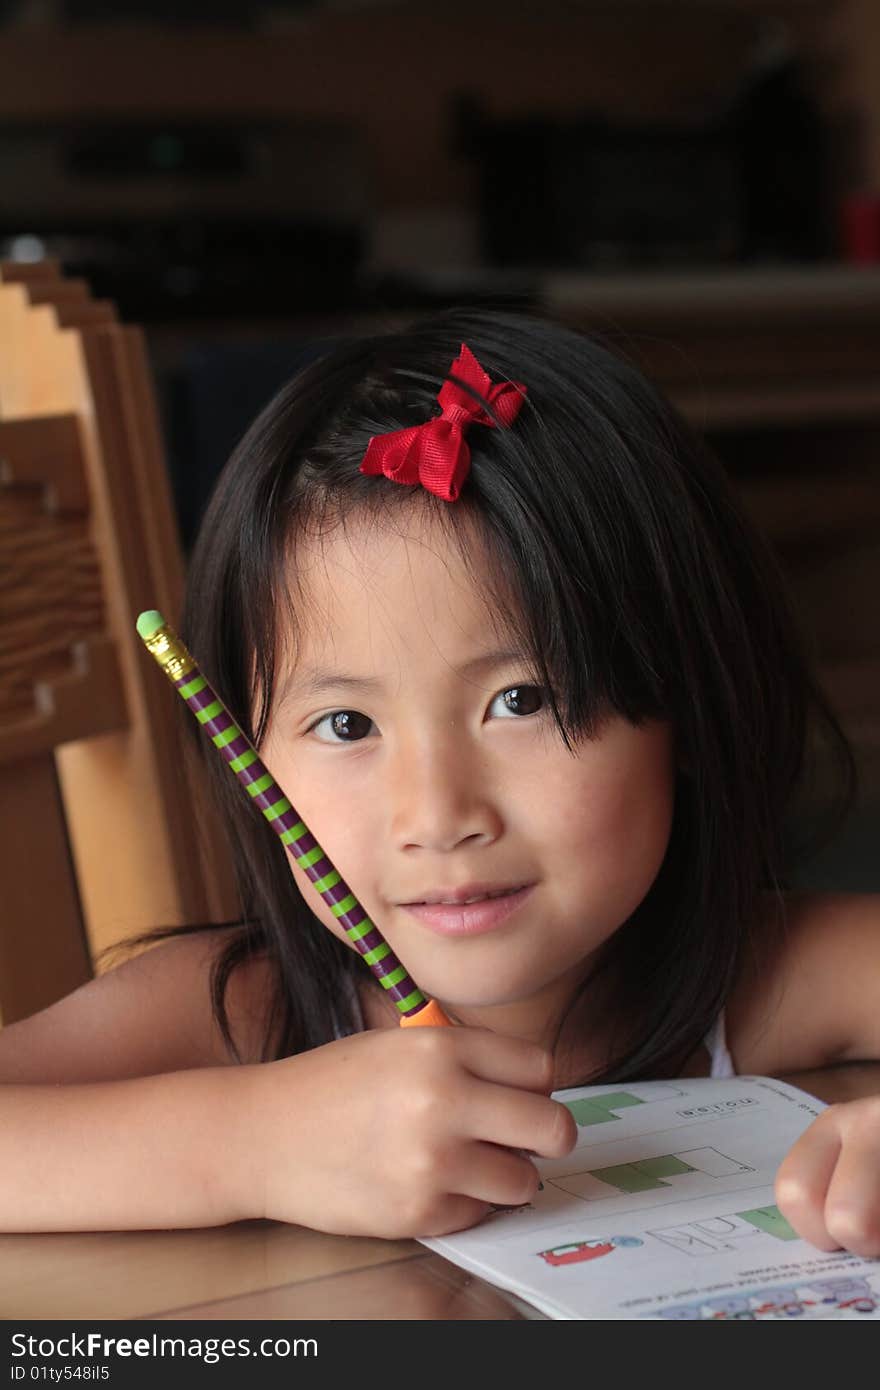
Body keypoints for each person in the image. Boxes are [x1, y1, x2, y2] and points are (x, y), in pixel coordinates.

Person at [1, 307, 878, 1254]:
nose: (439, 816)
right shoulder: (242, 1013)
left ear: (690, 701)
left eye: (522, 700)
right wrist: (253, 1143)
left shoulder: (770, 975)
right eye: (347, 725)